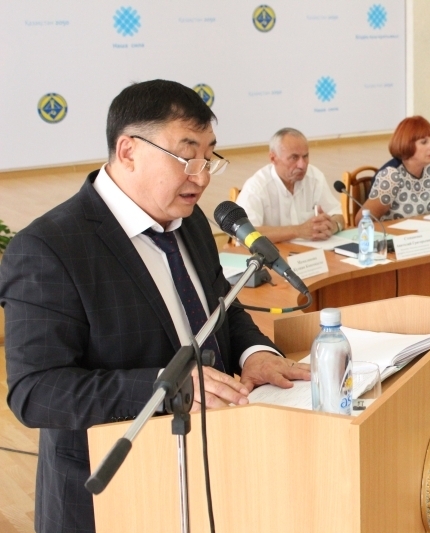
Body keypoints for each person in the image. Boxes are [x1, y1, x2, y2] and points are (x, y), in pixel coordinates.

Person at [0, 80, 310, 533]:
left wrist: (254, 353)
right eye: (186, 157)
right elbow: (35, 391)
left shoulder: (190, 221)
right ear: (128, 151)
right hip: (114, 496)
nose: (201, 177)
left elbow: (221, 308)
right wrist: (166, 387)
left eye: (209, 158)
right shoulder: (49, 248)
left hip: (212, 472)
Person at [235, 127, 345, 242]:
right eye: (294, 158)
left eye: (305, 156)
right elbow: (244, 233)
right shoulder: (256, 187)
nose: (302, 165)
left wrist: (333, 226)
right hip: (274, 252)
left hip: (312, 250)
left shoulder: (315, 178)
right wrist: (297, 231)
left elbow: (338, 214)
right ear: (273, 158)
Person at [356, 116, 430, 222]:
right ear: (407, 144)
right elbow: (362, 220)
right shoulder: (391, 176)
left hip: (423, 231)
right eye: (424, 142)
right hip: (391, 232)